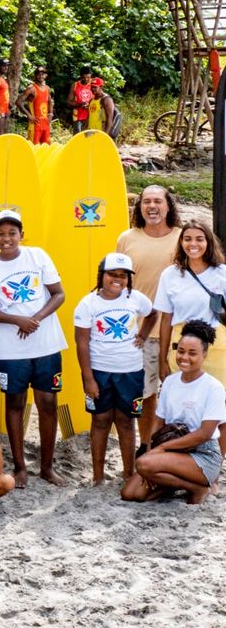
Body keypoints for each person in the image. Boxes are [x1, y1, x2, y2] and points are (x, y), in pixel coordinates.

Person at [0, 210, 69, 487]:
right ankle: (19, 467)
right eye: (0, 233)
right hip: (11, 351)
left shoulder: (37, 256)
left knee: (48, 403)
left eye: (12, 233)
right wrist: (17, 320)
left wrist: (36, 319)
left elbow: (59, 293)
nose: (6, 239)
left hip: (46, 345)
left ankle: (46, 467)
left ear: (21, 234)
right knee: (15, 403)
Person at [122, 321, 225, 504]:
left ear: (204, 355)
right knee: (131, 493)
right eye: (180, 351)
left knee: (144, 464)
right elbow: (158, 421)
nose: (184, 357)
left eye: (192, 353)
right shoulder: (170, 382)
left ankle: (198, 487)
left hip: (202, 455)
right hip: (172, 449)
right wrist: (150, 449)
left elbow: (205, 434)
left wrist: (161, 450)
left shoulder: (213, 387)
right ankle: (180, 483)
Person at [74, 253, 151, 485]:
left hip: (130, 370)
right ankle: (97, 476)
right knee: (100, 420)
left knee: (126, 420)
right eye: (112, 275)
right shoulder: (88, 303)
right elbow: (81, 342)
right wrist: (88, 378)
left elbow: (153, 314)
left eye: (123, 275)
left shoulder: (136, 298)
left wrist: (143, 334)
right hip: (99, 371)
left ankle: (128, 473)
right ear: (101, 276)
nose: (117, 279)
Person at [149, 220, 226, 447]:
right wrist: (163, 358)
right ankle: (185, 457)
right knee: (184, 403)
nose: (193, 244)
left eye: (199, 239)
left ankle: (213, 464)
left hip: (217, 346)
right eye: (188, 238)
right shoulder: (170, 275)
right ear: (181, 242)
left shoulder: (222, 273)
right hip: (182, 346)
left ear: (208, 242)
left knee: (219, 408)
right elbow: (166, 320)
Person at [116, 185, 180, 440]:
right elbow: (117, 282)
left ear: (168, 206)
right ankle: (146, 447)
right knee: (146, 396)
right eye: (146, 202)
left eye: (158, 202)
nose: (152, 207)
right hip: (139, 333)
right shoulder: (126, 238)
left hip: (178, 332)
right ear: (139, 207)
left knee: (180, 395)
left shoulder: (183, 237)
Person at [24, 67, 54, 145]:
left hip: (45, 122)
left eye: (42, 74)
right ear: (35, 76)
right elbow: (18, 102)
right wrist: (29, 115)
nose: (40, 76)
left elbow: (50, 101)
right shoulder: (31, 88)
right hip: (35, 123)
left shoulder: (47, 88)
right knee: (33, 146)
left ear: (46, 75)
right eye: (38, 74)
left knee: (46, 146)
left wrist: (50, 114)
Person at [71, 68, 95, 133]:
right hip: (78, 116)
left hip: (91, 115)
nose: (86, 79)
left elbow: (99, 99)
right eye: (84, 77)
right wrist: (80, 104)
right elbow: (69, 102)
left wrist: (89, 105)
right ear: (80, 76)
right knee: (78, 137)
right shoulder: (75, 85)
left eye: (88, 77)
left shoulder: (94, 84)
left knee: (89, 137)